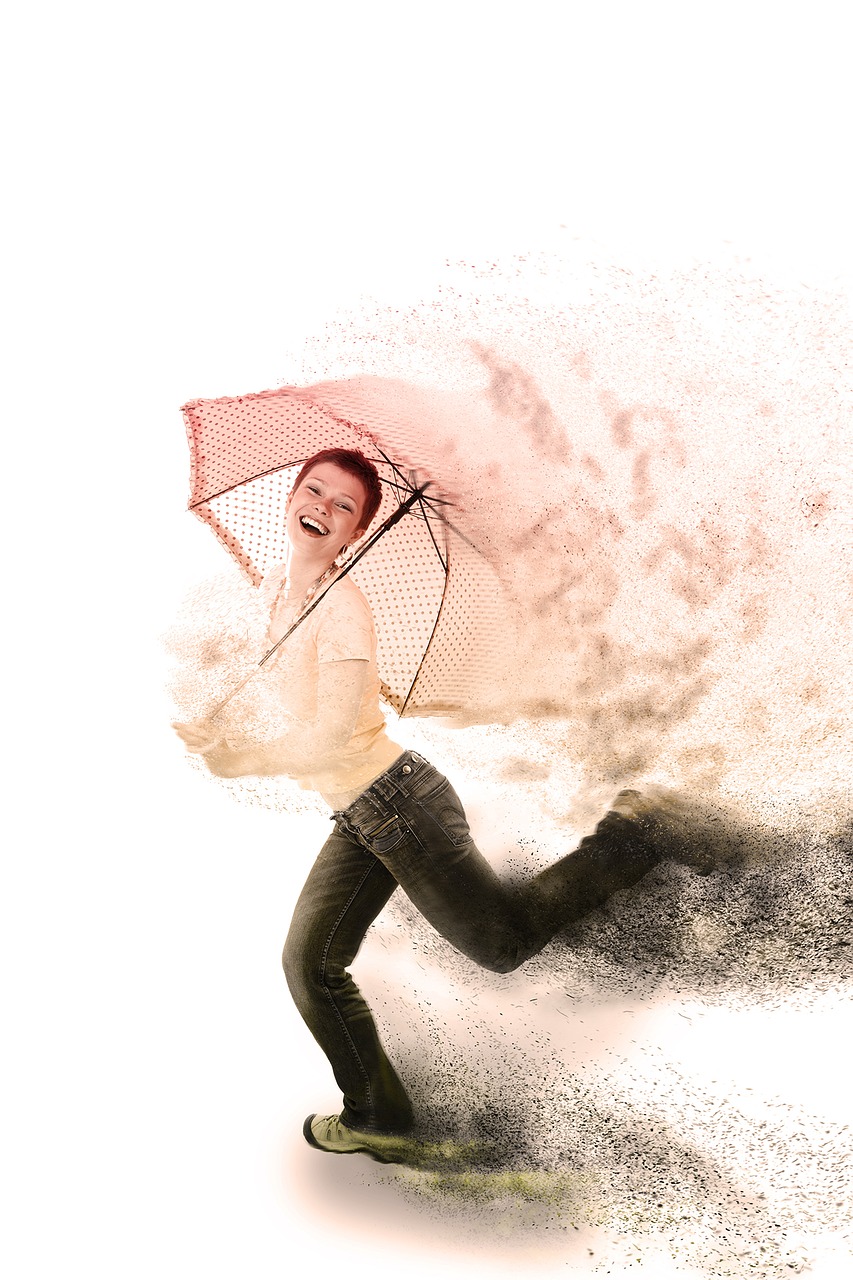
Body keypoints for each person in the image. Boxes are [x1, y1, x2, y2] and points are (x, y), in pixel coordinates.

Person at [174, 447, 720, 1163]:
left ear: (356, 534)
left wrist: (241, 759)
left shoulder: (342, 609)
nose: (323, 510)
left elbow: (334, 735)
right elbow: (300, 714)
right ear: (289, 497)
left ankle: (638, 831)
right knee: (309, 964)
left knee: (499, 944)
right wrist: (226, 731)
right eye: (314, 492)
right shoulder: (280, 588)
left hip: (397, 804)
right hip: (364, 814)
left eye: (344, 508)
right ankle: (378, 1115)